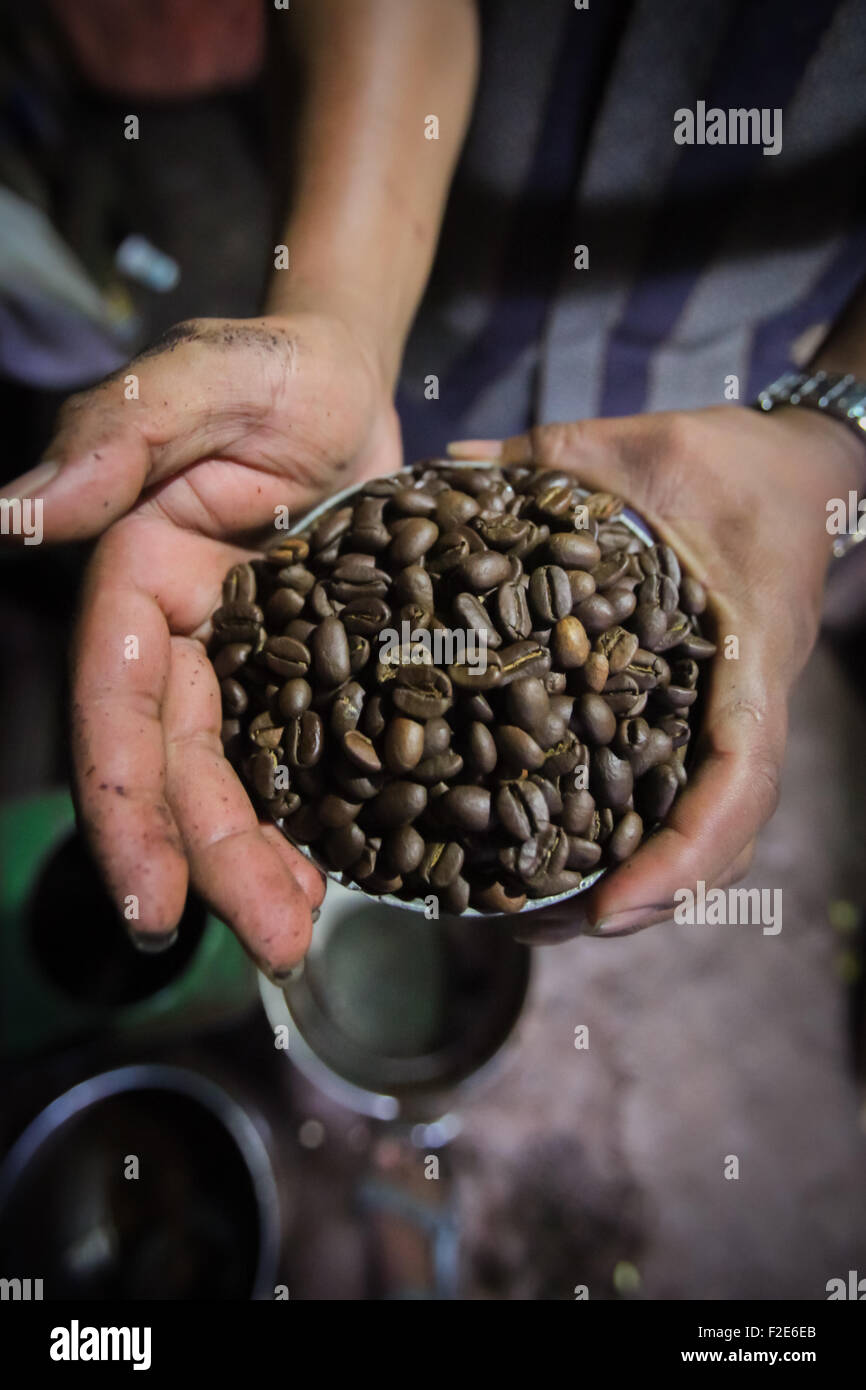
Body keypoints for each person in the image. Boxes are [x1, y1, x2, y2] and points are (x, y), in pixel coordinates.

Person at [4, 0, 866, 977]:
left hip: (765, 397)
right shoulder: (369, 546)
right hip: (431, 285)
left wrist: (830, 434)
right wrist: (337, 308)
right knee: (431, 463)